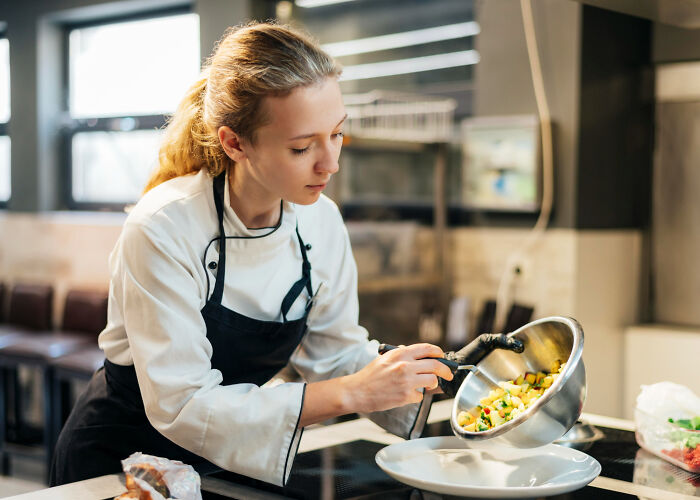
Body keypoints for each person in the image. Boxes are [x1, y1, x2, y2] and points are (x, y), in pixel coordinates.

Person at [50, 22, 520, 487]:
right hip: (121, 462)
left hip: (226, 461)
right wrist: (349, 392)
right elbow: (184, 405)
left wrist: (442, 374)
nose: (330, 163)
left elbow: (336, 357)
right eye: (302, 147)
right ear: (234, 142)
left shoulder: (320, 221)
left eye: (336, 134)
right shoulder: (163, 227)